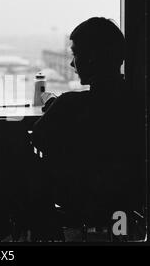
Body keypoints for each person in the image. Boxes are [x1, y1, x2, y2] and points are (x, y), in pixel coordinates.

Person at [32, 17, 145, 221]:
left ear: (92, 57)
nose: (72, 63)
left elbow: (39, 139)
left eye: (76, 54)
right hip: (128, 198)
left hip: (77, 198)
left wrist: (55, 107)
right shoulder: (138, 104)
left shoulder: (69, 104)